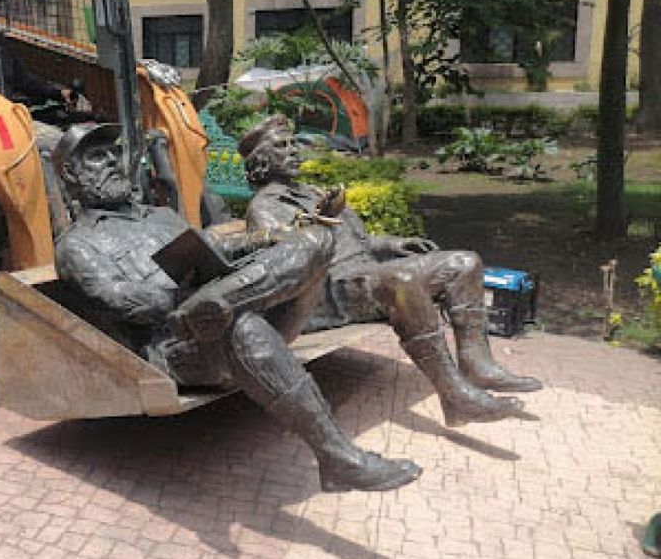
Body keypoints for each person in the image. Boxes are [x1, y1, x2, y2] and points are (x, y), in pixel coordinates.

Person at [53, 123, 422, 492]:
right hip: (176, 344)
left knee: (317, 239)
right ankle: (340, 459)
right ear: (71, 173)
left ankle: (220, 303)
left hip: (220, 304)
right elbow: (113, 297)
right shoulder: (76, 245)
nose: (113, 161)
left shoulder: (159, 217)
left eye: (114, 152)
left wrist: (271, 237)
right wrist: (182, 300)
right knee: (242, 327)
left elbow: (215, 248)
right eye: (97, 157)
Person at [238, 115, 541, 428]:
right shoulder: (264, 207)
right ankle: (455, 395)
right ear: (262, 161)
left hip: (365, 272)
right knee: (402, 283)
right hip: (331, 289)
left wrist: (395, 243)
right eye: (280, 147)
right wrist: (319, 221)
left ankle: (477, 363)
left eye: (292, 143)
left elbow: (358, 239)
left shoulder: (310, 192)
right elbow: (288, 259)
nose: (293, 151)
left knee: (465, 263)